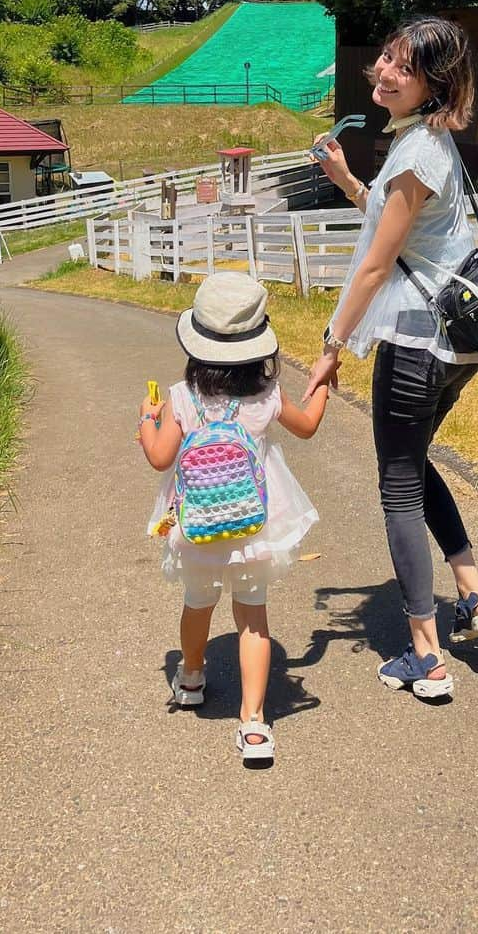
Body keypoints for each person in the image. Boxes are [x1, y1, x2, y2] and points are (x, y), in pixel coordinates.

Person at [305, 15, 478, 702]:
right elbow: (394, 224)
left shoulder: (419, 150)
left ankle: (427, 656)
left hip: (418, 345)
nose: (385, 72)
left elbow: (374, 267)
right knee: (413, 463)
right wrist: (344, 179)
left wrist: (332, 348)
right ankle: (472, 592)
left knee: (396, 485)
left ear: (434, 83)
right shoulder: (427, 144)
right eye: (386, 57)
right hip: (449, 345)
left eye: (405, 67)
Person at [138, 271, 328, 765]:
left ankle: (193, 676)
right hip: (253, 525)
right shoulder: (266, 395)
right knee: (253, 617)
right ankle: (254, 724)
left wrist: (147, 418)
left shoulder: (182, 398)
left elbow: (160, 458)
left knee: (198, 603)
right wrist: (322, 384)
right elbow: (307, 426)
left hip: (198, 525)